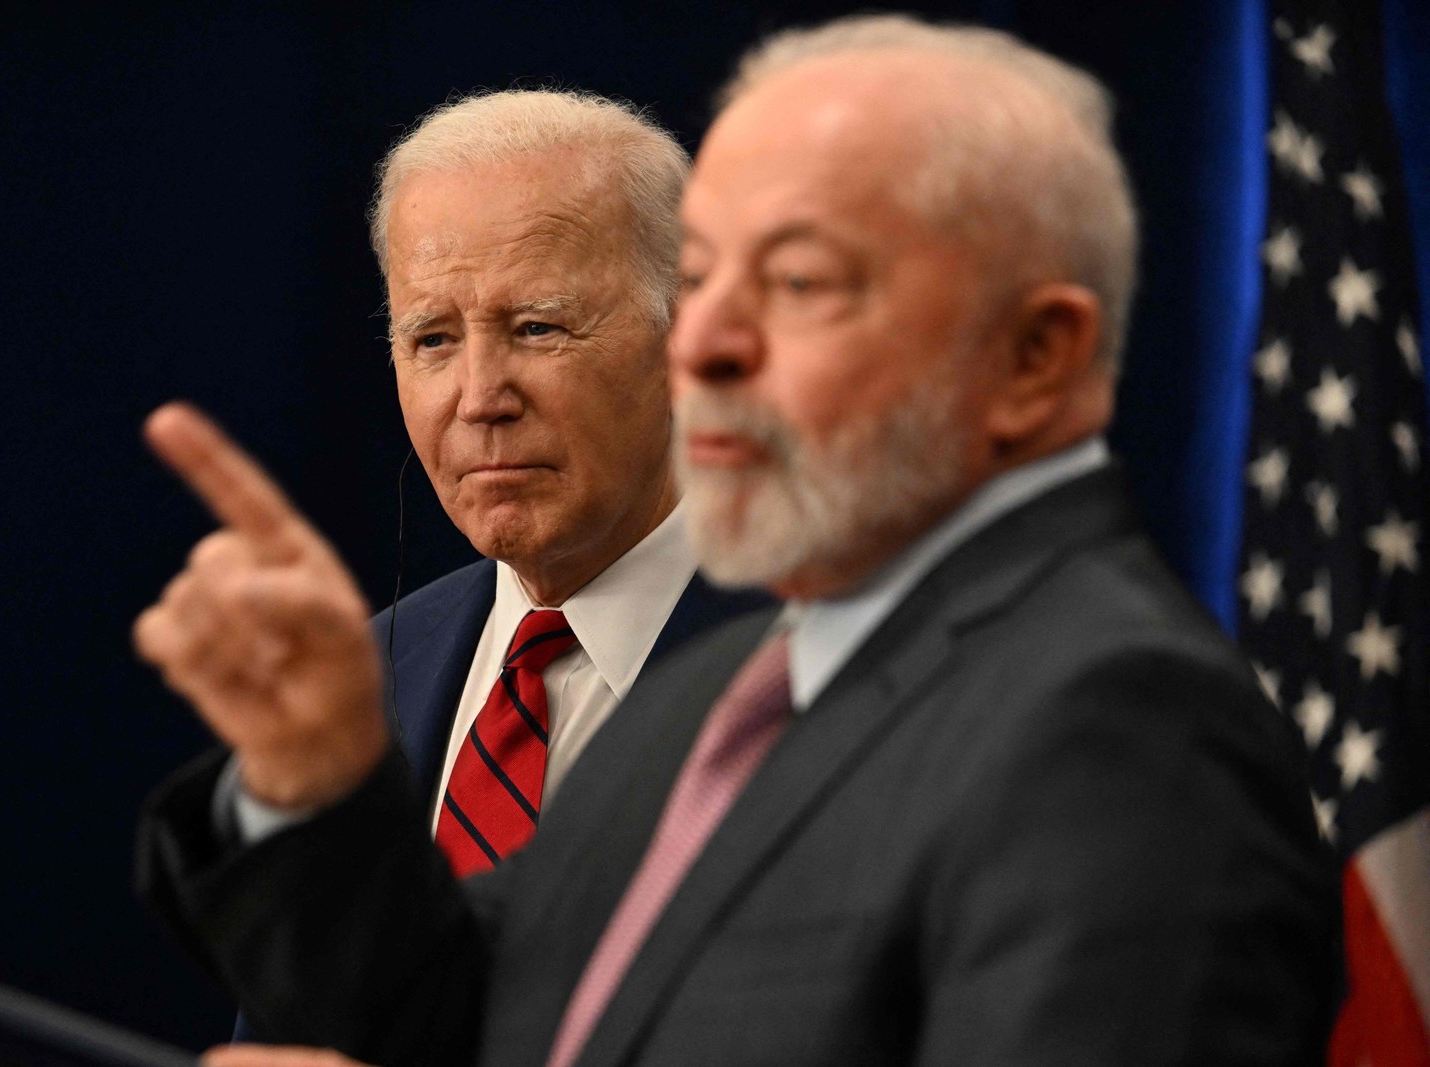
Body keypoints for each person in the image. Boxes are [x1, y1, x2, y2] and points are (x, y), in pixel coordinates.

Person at [138, 15, 1338, 1067]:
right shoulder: (731, 693)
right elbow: (459, 1016)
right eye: (706, 279)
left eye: (800, 282)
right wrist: (318, 779)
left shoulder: (1117, 722)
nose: (704, 347)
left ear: (1034, 362)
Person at [134, 89, 766, 876]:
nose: (479, 399)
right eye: (432, 338)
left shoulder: (828, 659)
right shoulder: (364, 685)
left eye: (538, 327)